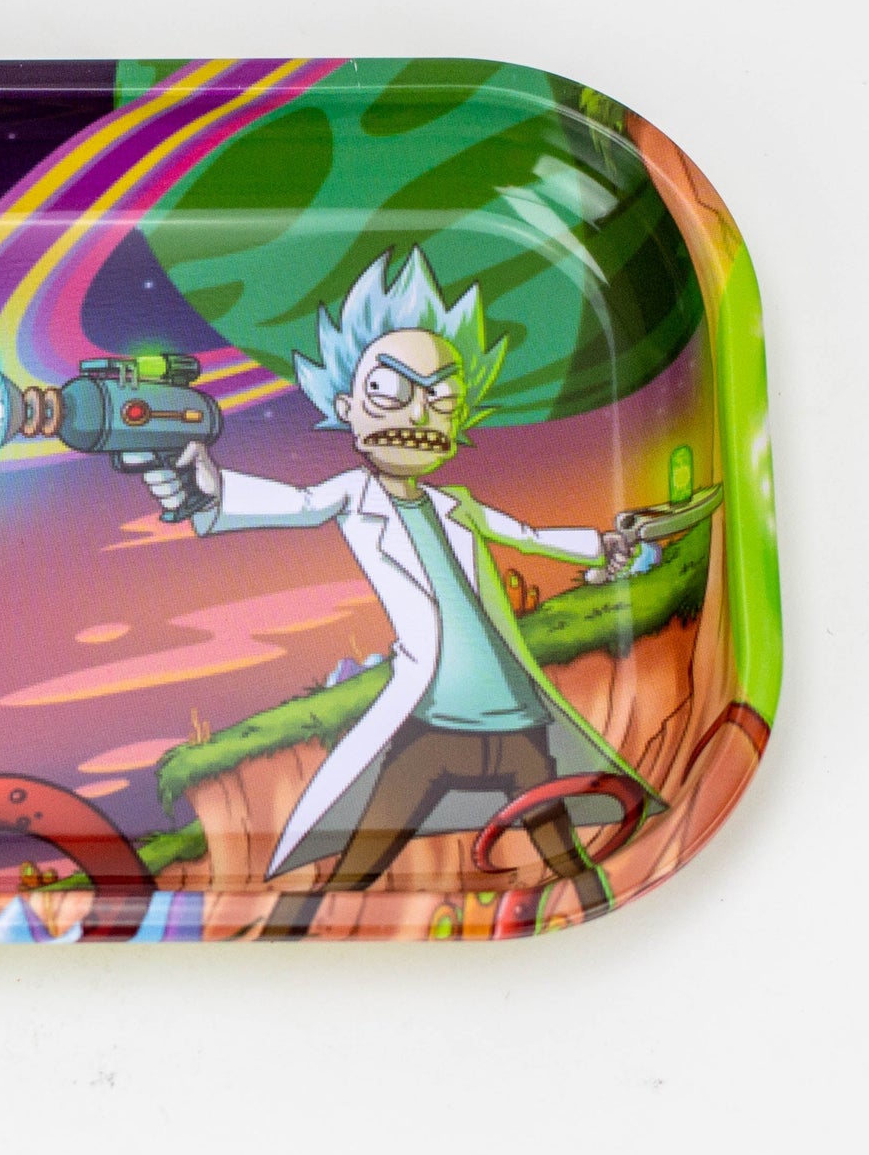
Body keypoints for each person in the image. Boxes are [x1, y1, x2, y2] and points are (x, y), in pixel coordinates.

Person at [140, 247, 659, 937]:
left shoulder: (455, 505)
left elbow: (529, 534)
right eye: (391, 391)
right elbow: (298, 502)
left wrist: (602, 546)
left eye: (441, 398)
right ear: (348, 407)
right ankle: (286, 935)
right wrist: (209, 488)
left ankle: (622, 925)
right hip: (433, 721)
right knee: (364, 852)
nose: (419, 412)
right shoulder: (355, 496)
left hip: (517, 720)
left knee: (564, 855)